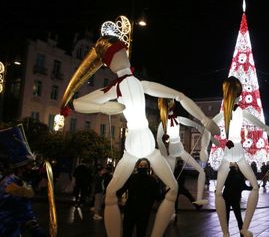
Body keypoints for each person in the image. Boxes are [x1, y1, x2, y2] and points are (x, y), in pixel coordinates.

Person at [61, 26, 220, 236]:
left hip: (139, 144)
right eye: (119, 53)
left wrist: (203, 118)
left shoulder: (129, 85)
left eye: (123, 51)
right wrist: (101, 106)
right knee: (114, 193)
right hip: (137, 143)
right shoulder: (116, 88)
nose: (125, 54)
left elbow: (179, 96)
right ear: (111, 62)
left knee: (162, 189)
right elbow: (76, 103)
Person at [202, 76, 269, 237]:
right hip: (233, 153)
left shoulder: (237, 112)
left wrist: (214, 144)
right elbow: (266, 128)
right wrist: (213, 144)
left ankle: (239, 229)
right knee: (226, 191)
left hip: (235, 152)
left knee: (247, 188)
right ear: (239, 94)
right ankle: (230, 231)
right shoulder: (230, 113)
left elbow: (266, 128)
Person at [157, 98, 210, 206]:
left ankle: (199, 200)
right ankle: (169, 209)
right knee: (169, 181)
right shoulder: (163, 123)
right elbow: (159, 140)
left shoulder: (177, 119)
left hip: (180, 150)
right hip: (172, 152)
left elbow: (194, 125)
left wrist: (200, 127)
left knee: (201, 171)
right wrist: (164, 155)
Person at [0, 124, 47, 237]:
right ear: (21, 168)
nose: (32, 169)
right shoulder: (13, 187)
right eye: (30, 166)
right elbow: (25, 214)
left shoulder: (16, 181)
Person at [116, 158, 162, 237]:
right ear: (137, 166)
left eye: (145, 165)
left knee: (141, 232)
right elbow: (120, 191)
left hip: (143, 212)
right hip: (131, 210)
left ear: (148, 167)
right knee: (127, 231)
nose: (143, 167)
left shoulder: (152, 180)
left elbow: (157, 196)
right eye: (141, 165)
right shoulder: (131, 178)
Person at [223, 163, 252, 234]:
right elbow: (244, 187)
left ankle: (226, 233)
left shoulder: (226, 175)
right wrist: (253, 187)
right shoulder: (239, 176)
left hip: (226, 197)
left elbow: (223, 184)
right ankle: (242, 233)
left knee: (226, 216)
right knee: (238, 216)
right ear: (236, 168)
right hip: (235, 198)